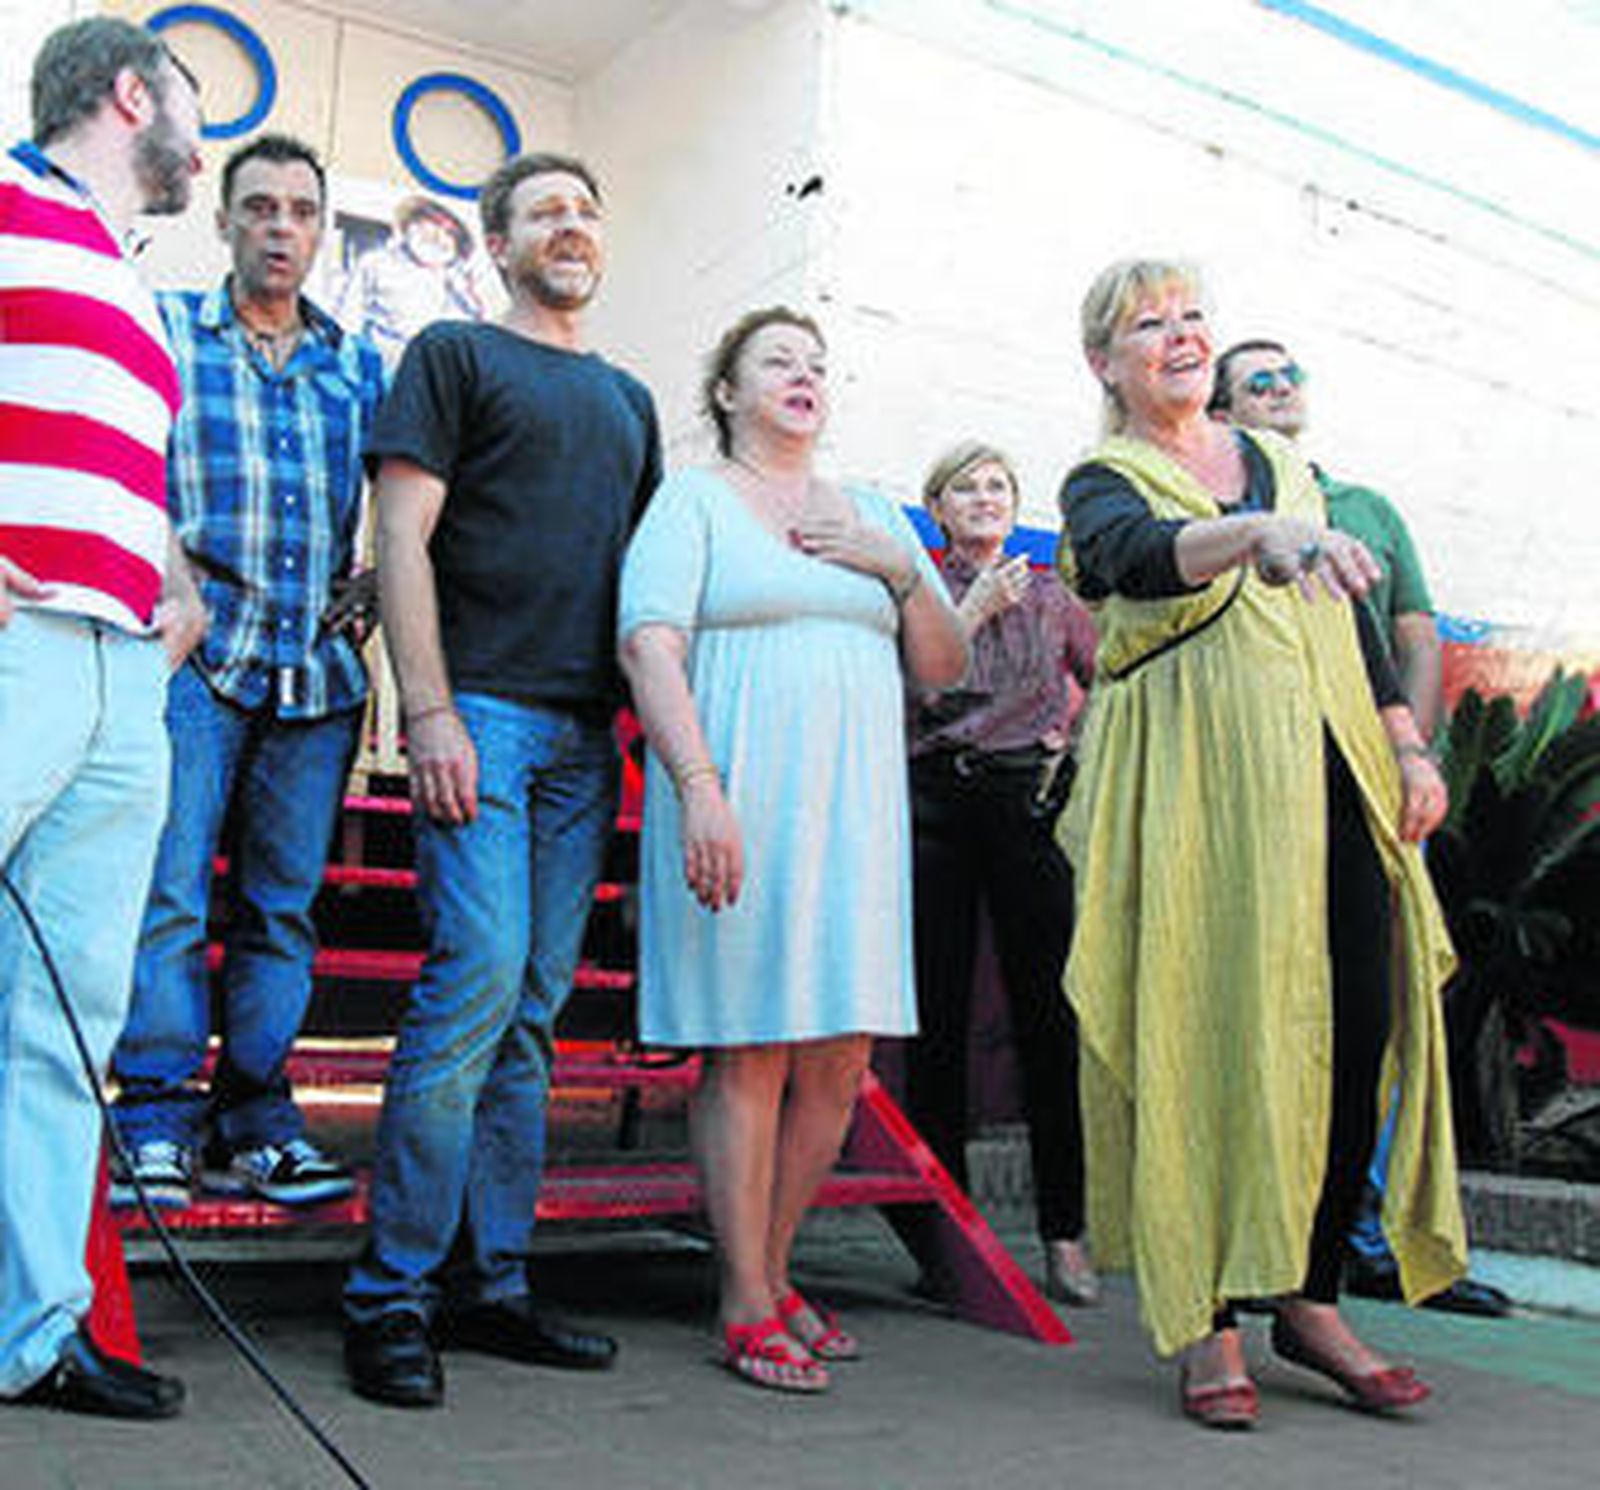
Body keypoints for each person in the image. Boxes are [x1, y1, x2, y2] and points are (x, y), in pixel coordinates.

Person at [1058, 259, 1467, 1430]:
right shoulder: (1104, 474)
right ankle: (1206, 1318)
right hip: (1193, 788)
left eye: (1193, 317)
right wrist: (1254, 535)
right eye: (1150, 323)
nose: (1181, 336)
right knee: (1204, 1020)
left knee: (1352, 1025)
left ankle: (1310, 1293)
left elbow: (1349, 615)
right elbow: (1133, 559)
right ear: (1105, 362)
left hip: (1328, 770)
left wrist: (1408, 744)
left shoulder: (1281, 467)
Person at [342, 151, 661, 1408]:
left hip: (585, 740)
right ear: (498, 241)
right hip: (477, 713)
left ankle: (493, 1282)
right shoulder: (454, 357)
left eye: (587, 209)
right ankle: (391, 1294)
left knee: (530, 1012)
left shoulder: (631, 400)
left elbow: (645, 585)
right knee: (472, 989)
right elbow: (399, 536)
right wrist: (424, 709)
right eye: (544, 214)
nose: (571, 229)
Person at [618, 307, 967, 1394]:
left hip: (853, 812)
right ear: (726, 391)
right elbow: (648, 642)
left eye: (816, 364)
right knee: (750, 1049)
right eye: (777, 360)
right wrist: (698, 788)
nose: (802, 376)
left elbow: (944, 667)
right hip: (738, 797)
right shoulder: (694, 501)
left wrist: (900, 570)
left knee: (839, 1056)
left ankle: (767, 1275)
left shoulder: (871, 513)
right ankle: (744, 1299)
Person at [108, 133, 386, 1210]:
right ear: (223, 221)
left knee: (282, 908)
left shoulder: (361, 364)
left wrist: (371, 588)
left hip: (315, 676)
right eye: (259, 207)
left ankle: (258, 1117)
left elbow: (409, 506)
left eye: (301, 211)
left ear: (320, 232)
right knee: (170, 895)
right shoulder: (168, 328)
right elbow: (127, 464)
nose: (280, 227)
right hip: (196, 659)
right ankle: (157, 1118)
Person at [1210, 338, 1509, 1319]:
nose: (1281, 388)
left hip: (1367, 794)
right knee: (1255, 1009)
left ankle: (1370, 1240)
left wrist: (1406, 757)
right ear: (1221, 407)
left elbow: (1409, 637)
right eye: (1257, 379)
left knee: (1375, 1010)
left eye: (1290, 374)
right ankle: (1256, 1244)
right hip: (1251, 800)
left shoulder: (1367, 507)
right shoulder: (1206, 501)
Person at [0, 16, 204, 1420]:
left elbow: (119, 467)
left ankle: (32, 1330)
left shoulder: (132, 282)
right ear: (132, 93)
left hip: (126, 667)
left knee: (63, 1015)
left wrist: (180, 579)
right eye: (189, 104)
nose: (199, 134)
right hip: (17, 639)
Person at [904, 441, 1099, 1307]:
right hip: (933, 803)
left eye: (998, 487)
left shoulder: (1056, 595)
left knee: (1048, 1016)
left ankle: (1065, 1233)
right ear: (936, 508)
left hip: (1027, 804)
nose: (983, 499)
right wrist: (972, 610)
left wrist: (1077, 751)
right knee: (935, 1023)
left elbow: (1114, 681)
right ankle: (945, 1240)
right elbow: (904, 687)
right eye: (964, 488)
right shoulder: (918, 590)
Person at [335, 195, 487, 370]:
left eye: (450, 233)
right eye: (433, 224)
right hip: (380, 370)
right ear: (411, 225)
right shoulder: (376, 263)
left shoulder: (459, 287)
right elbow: (346, 320)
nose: (438, 236)